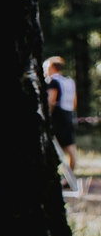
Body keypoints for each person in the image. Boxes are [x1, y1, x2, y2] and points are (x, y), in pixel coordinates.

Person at [48, 57, 80, 186]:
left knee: (53, 148)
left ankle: (56, 177)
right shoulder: (70, 81)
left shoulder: (54, 82)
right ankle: (69, 178)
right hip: (68, 115)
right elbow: (74, 102)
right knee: (70, 148)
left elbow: (51, 100)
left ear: (52, 67)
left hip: (57, 117)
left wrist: (47, 116)